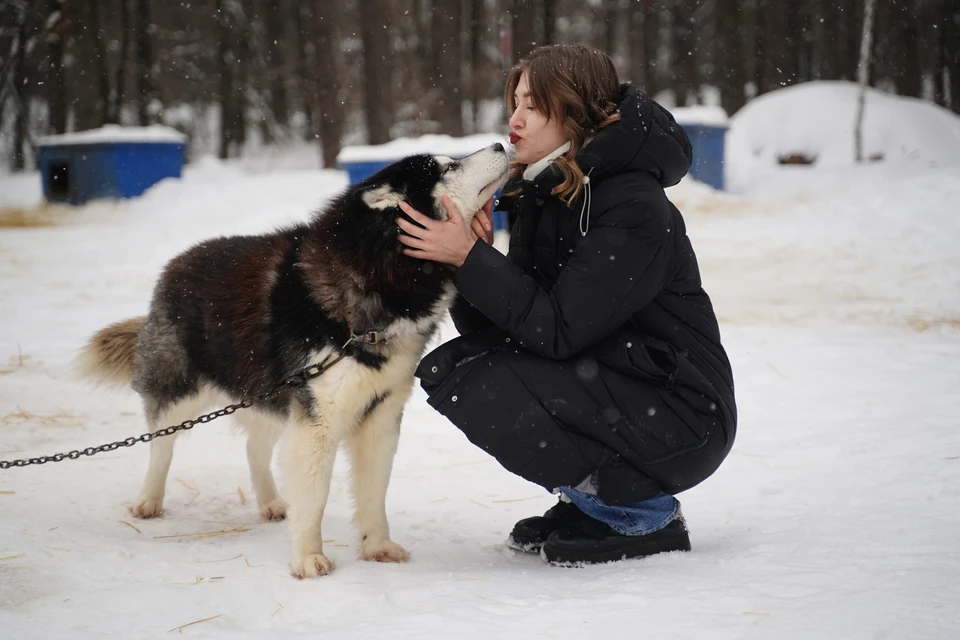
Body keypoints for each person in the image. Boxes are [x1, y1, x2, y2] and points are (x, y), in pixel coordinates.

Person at [395, 44, 736, 566]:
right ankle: (599, 501)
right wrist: (473, 260)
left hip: (681, 413)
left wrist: (469, 259)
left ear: (575, 110)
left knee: (484, 380)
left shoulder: (633, 205)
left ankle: (640, 514)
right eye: (514, 102)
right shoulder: (545, 192)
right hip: (623, 385)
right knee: (465, 367)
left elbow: (557, 330)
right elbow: (509, 333)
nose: (515, 119)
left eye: (532, 105)